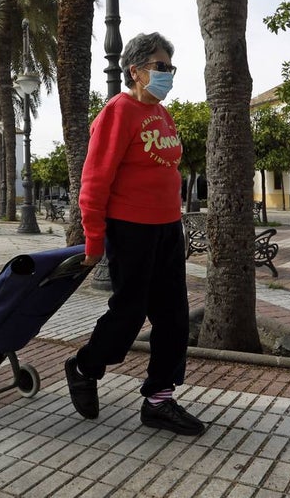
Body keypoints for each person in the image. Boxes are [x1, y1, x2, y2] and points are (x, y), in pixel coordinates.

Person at [64, 32, 206, 436]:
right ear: (136, 70)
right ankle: (84, 366)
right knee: (129, 313)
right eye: (161, 67)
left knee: (173, 316)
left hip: (166, 228)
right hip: (130, 230)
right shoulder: (118, 112)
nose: (168, 75)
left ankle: (159, 400)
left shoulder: (162, 114)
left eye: (170, 68)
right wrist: (93, 240)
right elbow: (94, 181)